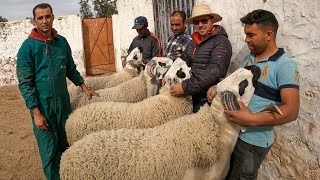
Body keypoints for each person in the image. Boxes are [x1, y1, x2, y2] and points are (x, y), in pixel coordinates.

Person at [207, 9, 300, 179]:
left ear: (268, 34)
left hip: (253, 143)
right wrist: (217, 88)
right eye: (245, 34)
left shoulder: (285, 65)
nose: (246, 40)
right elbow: (236, 83)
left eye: (251, 35)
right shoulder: (249, 58)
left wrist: (251, 119)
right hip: (233, 132)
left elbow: (292, 111)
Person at [16, 3, 98, 180]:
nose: (45, 21)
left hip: (63, 104)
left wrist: (84, 88)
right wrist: (36, 113)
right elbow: (25, 84)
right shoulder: (27, 48)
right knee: (49, 151)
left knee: (67, 145)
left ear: (53, 17)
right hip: (43, 107)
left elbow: (70, 69)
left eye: (48, 16)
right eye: (40, 18)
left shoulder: (61, 43)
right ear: (34, 21)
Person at [170, 3, 232, 113]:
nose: (200, 25)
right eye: (196, 22)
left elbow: (216, 70)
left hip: (208, 99)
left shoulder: (221, 42)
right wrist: (169, 75)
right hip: (192, 96)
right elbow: (183, 61)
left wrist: (185, 87)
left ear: (212, 20)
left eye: (204, 21)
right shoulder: (194, 41)